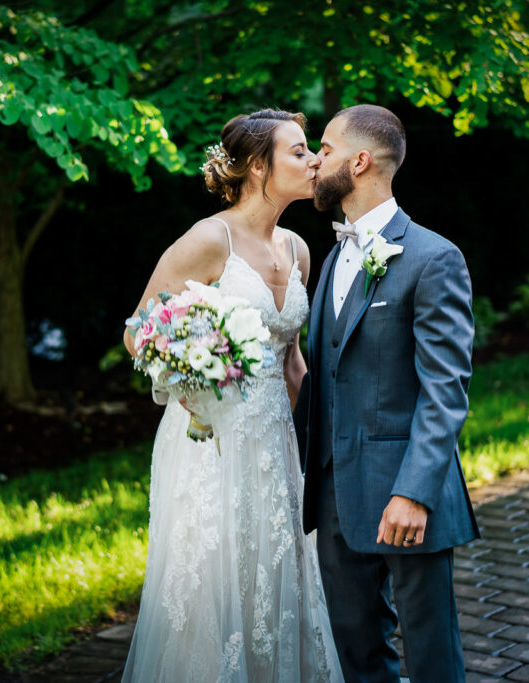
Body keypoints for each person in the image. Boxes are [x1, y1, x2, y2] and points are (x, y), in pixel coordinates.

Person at [121, 109, 343, 682]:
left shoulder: (297, 249)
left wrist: (321, 445)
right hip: (210, 442)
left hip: (276, 441)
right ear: (255, 166)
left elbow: (293, 362)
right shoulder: (208, 238)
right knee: (213, 580)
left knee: (276, 572)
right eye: (299, 152)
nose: (315, 160)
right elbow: (137, 329)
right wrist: (195, 375)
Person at [294, 104, 480, 682]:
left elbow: (445, 389)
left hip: (405, 487)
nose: (314, 161)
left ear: (359, 160)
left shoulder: (433, 258)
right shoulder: (331, 259)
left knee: (428, 647)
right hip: (332, 489)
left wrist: (415, 493)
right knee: (357, 647)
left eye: (322, 148)